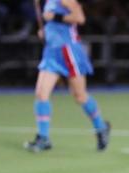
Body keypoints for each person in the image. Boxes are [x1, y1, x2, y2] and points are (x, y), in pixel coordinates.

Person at [25, 0, 110, 153]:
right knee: (41, 93)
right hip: (52, 52)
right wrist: (46, 31)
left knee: (80, 96)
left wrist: (54, 17)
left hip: (69, 52)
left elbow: (79, 18)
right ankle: (43, 138)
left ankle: (101, 127)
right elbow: (54, 24)